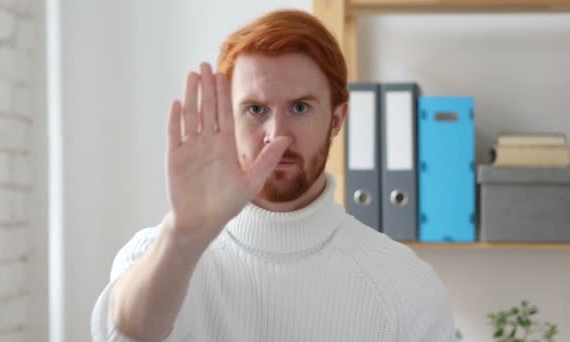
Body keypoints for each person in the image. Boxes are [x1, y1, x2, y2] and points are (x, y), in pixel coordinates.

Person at [91, 9, 455, 342]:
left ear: (337, 119)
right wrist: (184, 235)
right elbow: (124, 332)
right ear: (228, 120)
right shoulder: (162, 253)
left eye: (299, 107)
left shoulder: (405, 285)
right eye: (255, 109)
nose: (276, 134)